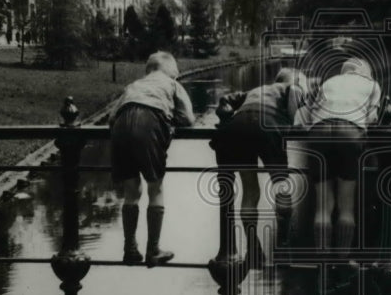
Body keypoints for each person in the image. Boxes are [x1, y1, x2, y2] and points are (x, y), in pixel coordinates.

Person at [213, 68, 310, 269]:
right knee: (281, 185)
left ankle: (253, 247)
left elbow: (225, 100)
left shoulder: (256, 90)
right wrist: (295, 123)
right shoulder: (292, 87)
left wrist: (227, 117)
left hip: (239, 125)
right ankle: (282, 245)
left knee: (250, 189)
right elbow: (296, 102)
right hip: (268, 124)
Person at [110, 51, 194, 267]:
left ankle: (130, 249)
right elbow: (188, 118)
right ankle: (153, 250)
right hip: (149, 121)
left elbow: (112, 117)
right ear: (171, 71)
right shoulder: (172, 84)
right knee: (155, 187)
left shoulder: (134, 85)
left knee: (131, 190)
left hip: (121, 125)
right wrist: (171, 121)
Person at [296, 56, 387, 254]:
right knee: (346, 206)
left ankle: (323, 261)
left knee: (323, 206)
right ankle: (342, 261)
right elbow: (372, 119)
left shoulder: (329, 82)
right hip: (349, 133)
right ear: (366, 72)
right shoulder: (372, 85)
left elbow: (308, 113)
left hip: (319, 133)